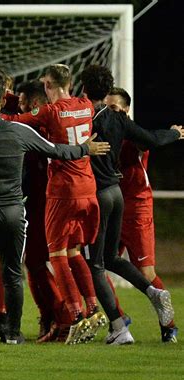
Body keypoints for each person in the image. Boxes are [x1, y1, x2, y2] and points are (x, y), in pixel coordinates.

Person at [0, 78, 110, 346]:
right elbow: (55, 150)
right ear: (0, 101)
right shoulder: (18, 131)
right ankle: (12, 333)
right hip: (12, 213)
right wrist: (84, 148)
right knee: (12, 274)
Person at [3, 64, 106, 345]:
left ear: (49, 84)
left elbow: (16, 120)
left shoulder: (51, 111)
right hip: (89, 188)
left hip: (63, 190)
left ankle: (75, 316)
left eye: (45, 85)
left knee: (57, 253)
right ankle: (93, 308)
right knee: (74, 251)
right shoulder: (86, 105)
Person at [80, 65, 182, 344]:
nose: (114, 110)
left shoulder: (102, 122)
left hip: (131, 206)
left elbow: (152, 140)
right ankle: (127, 312)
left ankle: (147, 325)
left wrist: (174, 133)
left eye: (118, 107)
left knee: (96, 263)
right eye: (111, 104)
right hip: (117, 196)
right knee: (107, 259)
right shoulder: (118, 124)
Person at [16, 80, 72, 342]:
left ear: (36, 104)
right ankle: (50, 317)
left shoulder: (40, 125)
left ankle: (65, 317)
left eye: (23, 102)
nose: (19, 106)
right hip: (39, 203)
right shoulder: (48, 121)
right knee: (33, 263)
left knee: (41, 262)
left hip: (46, 203)